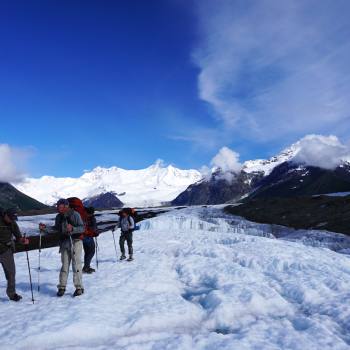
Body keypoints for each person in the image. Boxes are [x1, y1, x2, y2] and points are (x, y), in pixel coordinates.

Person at [39, 198, 85, 297]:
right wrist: (45, 228)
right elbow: (56, 229)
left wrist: (73, 228)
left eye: (60, 206)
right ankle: (62, 287)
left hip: (75, 241)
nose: (58, 208)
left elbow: (82, 228)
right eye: (57, 206)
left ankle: (79, 287)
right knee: (64, 265)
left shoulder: (75, 214)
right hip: (65, 242)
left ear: (66, 206)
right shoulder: (58, 217)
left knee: (76, 265)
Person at [0, 207, 29, 302]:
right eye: (11, 218)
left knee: (11, 273)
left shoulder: (12, 223)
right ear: (6, 215)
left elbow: (18, 237)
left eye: (13, 219)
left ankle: (12, 294)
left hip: (6, 251)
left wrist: (23, 240)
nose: (12, 220)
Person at [82, 206, 97, 274]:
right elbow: (93, 228)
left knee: (87, 252)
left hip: (83, 236)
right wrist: (95, 232)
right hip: (88, 236)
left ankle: (86, 266)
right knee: (91, 252)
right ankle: (86, 267)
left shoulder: (83, 217)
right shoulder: (91, 218)